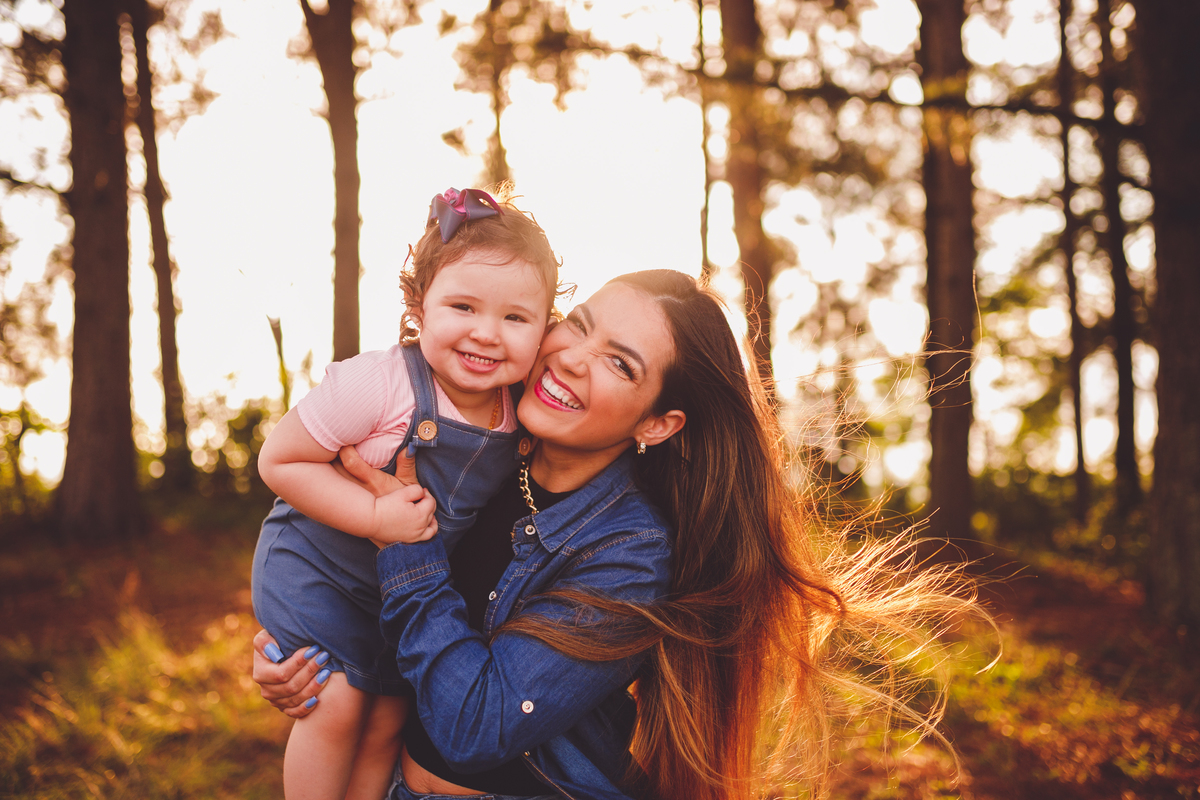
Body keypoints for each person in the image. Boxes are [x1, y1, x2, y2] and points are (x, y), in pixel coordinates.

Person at [254, 269, 974, 800]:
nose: (570, 357)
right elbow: (368, 603)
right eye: (582, 324)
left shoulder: (630, 554)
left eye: (619, 362)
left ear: (656, 424)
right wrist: (310, 655)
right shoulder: (483, 447)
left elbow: (475, 721)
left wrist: (405, 549)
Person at [251, 186, 564, 800]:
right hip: (318, 564)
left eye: (515, 317)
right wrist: (371, 512)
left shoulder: (520, 413)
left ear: (545, 328)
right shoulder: (380, 382)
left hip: (399, 591)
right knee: (336, 701)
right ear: (419, 306)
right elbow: (279, 459)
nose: (487, 334)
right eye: (464, 307)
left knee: (389, 716)